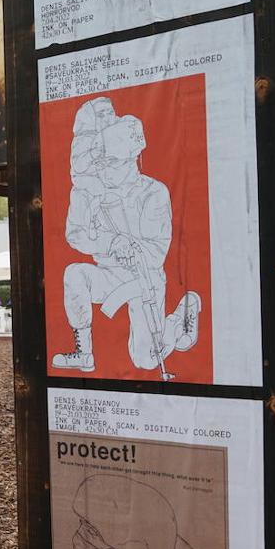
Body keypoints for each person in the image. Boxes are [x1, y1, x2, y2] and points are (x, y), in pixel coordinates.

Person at [52, 99, 199, 379]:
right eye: (103, 163)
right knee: (75, 274)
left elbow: (156, 252)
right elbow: (75, 233)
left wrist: (128, 245)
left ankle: (181, 318)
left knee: (145, 360)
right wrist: (109, 243)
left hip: (145, 277)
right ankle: (84, 351)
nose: (107, 170)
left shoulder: (153, 192)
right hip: (110, 273)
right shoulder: (88, 191)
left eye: (113, 163)